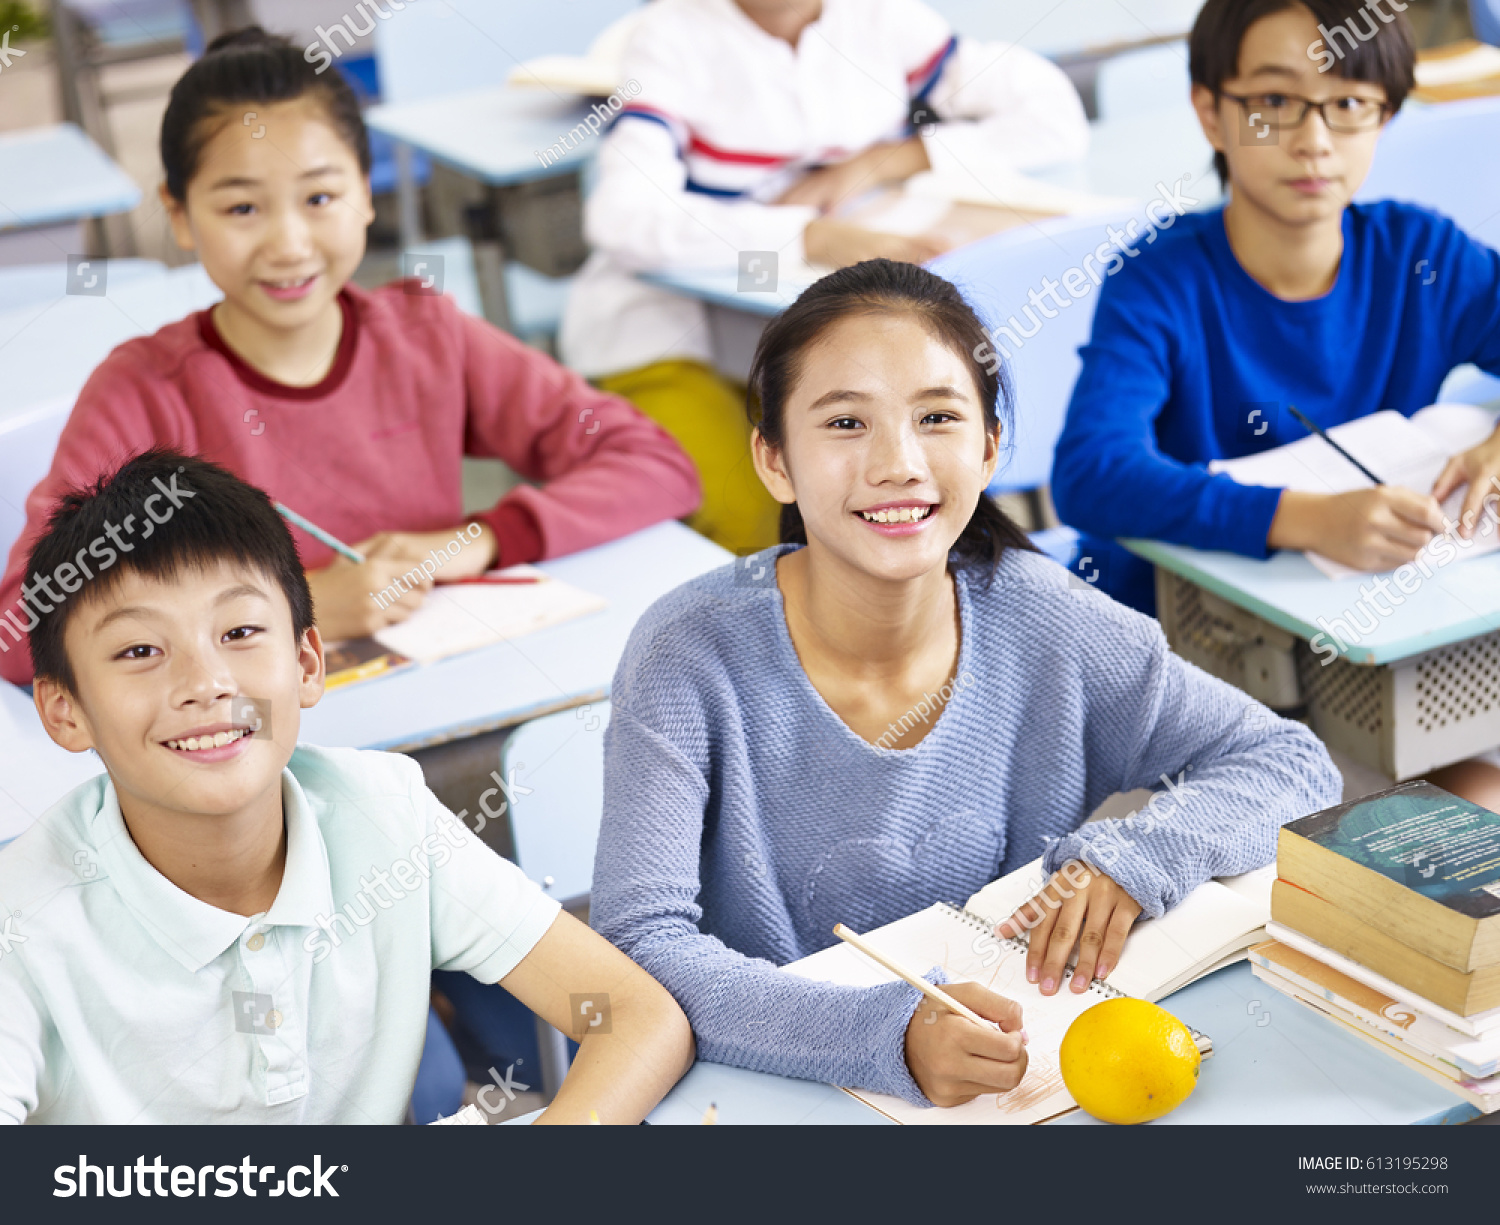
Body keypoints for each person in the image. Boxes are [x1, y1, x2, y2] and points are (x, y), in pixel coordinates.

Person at [589, 259, 1341, 1108]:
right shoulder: (687, 653)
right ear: (774, 462)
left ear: (987, 449)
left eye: (937, 417)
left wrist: (1138, 856)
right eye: (844, 423)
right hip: (769, 1089)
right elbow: (639, 943)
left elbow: (1288, 761)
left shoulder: (1043, 615)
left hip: (1017, 1082)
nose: (899, 464)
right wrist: (886, 1035)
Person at [0, 450, 693, 1123]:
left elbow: (636, 1014)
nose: (205, 683)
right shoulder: (22, 922)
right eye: (139, 651)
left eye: (239, 631)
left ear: (307, 664)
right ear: (65, 709)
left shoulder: (383, 814)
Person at [0, 27, 699, 686]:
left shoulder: (426, 336)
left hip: (442, 714)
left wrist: (476, 540)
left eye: (321, 196)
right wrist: (271, 610)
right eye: (242, 208)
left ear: (368, 193)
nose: (289, 242)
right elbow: (19, 629)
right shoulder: (145, 391)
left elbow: (656, 464)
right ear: (179, 214)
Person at [560, 0, 1089, 555]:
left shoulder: (881, 16)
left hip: (836, 344)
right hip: (672, 339)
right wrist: (804, 235)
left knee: (905, 498)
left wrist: (884, 160)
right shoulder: (670, 35)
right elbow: (623, 220)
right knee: (757, 523)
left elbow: (1052, 116)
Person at [1051, 0, 1500, 617]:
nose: (1313, 142)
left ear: (1385, 116)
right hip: (1167, 624)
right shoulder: (1159, 280)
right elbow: (1092, 474)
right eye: (1275, 103)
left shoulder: (1422, 256)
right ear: (1211, 113)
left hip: (1351, 612)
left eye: (1347, 105)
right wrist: (1302, 519)